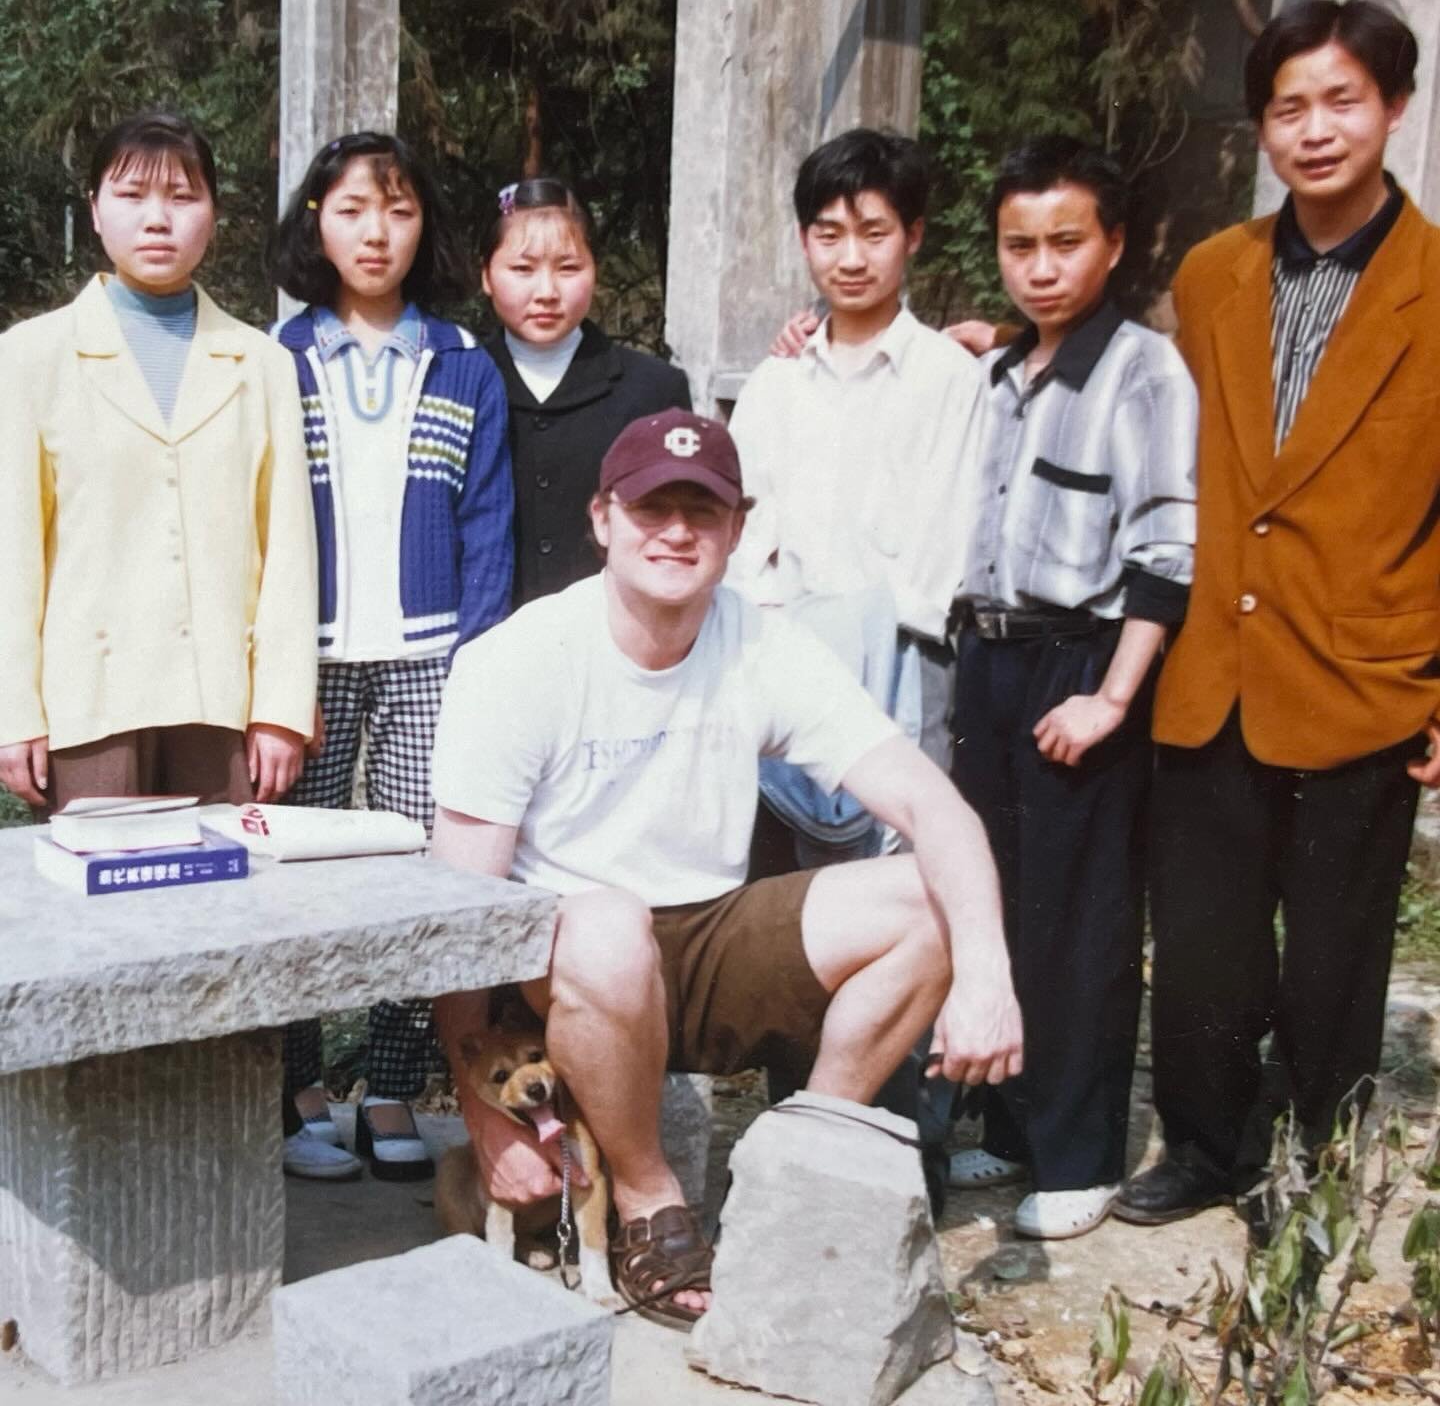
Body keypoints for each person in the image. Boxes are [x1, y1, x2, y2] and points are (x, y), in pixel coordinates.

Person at [429, 408, 1023, 1327]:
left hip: (708, 933)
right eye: (650, 508)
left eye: (701, 512)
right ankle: (646, 1203)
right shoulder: (520, 659)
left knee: (926, 900)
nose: (675, 532)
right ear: (602, 520)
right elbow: (457, 911)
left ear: (736, 530)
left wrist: (986, 970)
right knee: (606, 924)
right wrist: (484, 1117)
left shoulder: (762, 641)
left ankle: (798, 1174)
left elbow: (930, 805)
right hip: (566, 969)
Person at [1114, 0, 1440, 1229]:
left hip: (1368, 675)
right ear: (1262, 124)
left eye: (1341, 101)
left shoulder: (1437, 287)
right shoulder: (1212, 275)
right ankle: (1205, 1144)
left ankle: (1315, 1163)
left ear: (1393, 108)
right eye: (1288, 107)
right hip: (1211, 663)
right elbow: (1143, 413)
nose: (1314, 131)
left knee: (1337, 962)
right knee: (1201, 946)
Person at [942, 137, 1196, 1240]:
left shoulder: (1144, 369)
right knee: (991, 903)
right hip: (986, 663)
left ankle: (1079, 1156)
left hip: (1077, 665)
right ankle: (1006, 1130)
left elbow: (1166, 548)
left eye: (1065, 242)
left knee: (1079, 920)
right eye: (1019, 246)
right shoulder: (1002, 371)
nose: (1041, 267)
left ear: (1114, 244)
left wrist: (1113, 697)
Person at [268, 132, 514, 1183]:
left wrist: (476, 659)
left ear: (427, 227)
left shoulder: (462, 361)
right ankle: (296, 1086)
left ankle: (392, 1088)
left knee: (423, 873)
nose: (376, 232)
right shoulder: (277, 360)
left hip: (428, 660)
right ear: (316, 219)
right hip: (306, 661)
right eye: (354, 208)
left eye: (400, 209)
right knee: (296, 880)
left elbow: (488, 523)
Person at [0, 111, 314, 819]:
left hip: (222, 700)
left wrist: (282, 707)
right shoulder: (31, 356)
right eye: (132, 196)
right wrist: (14, 708)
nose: (157, 219)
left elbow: (288, 550)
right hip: (90, 699)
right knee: (102, 915)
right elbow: (11, 551)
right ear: (94, 210)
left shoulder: (262, 362)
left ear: (214, 215)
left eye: (181, 197)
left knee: (228, 907)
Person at [726, 128, 986, 775]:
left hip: (905, 657)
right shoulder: (775, 381)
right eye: (828, 234)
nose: (850, 258)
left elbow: (947, 543)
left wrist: (854, 631)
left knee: (892, 856)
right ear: (802, 240)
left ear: (914, 236)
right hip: (783, 654)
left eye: (874, 233)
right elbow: (746, 533)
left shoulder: (949, 378)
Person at [479, 177, 691, 609]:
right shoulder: (458, 381)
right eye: (522, 269)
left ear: (596, 269)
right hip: (485, 642)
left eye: (568, 268)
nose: (546, 292)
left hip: (616, 637)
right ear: (485, 275)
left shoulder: (653, 389)